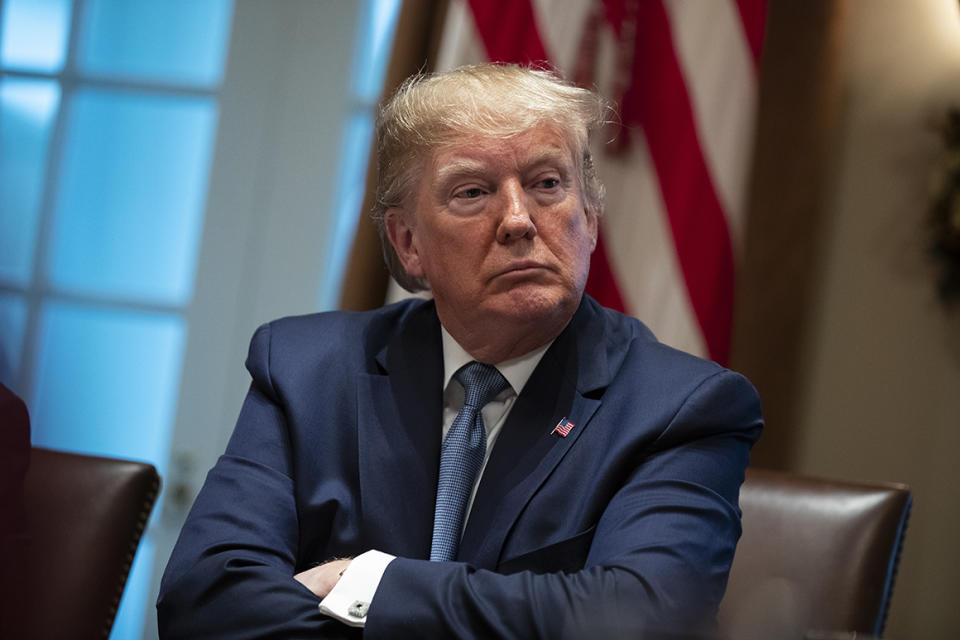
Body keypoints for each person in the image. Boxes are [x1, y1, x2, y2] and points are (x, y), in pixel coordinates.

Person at [158, 63, 762, 639]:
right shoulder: (305, 370)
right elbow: (203, 600)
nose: (519, 220)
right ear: (408, 242)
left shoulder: (681, 410)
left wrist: (368, 583)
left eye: (548, 184)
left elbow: (642, 620)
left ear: (590, 217)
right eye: (473, 192)